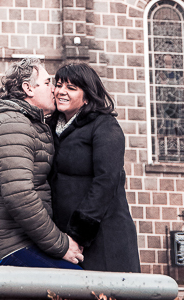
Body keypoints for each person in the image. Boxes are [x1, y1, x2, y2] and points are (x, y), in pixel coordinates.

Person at [0, 57, 83, 269]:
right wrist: (61, 245)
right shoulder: (13, 124)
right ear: (28, 88)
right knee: (82, 286)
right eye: (48, 83)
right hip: (11, 246)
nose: (54, 89)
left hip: (21, 242)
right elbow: (20, 196)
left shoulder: (26, 122)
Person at [49, 62, 141, 272]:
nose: (61, 92)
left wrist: (78, 234)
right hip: (65, 239)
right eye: (59, 85)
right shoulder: (52, 127)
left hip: (103, 236)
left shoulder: (104, 126)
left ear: (87, 96)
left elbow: (106, 181)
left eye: (71, 88)